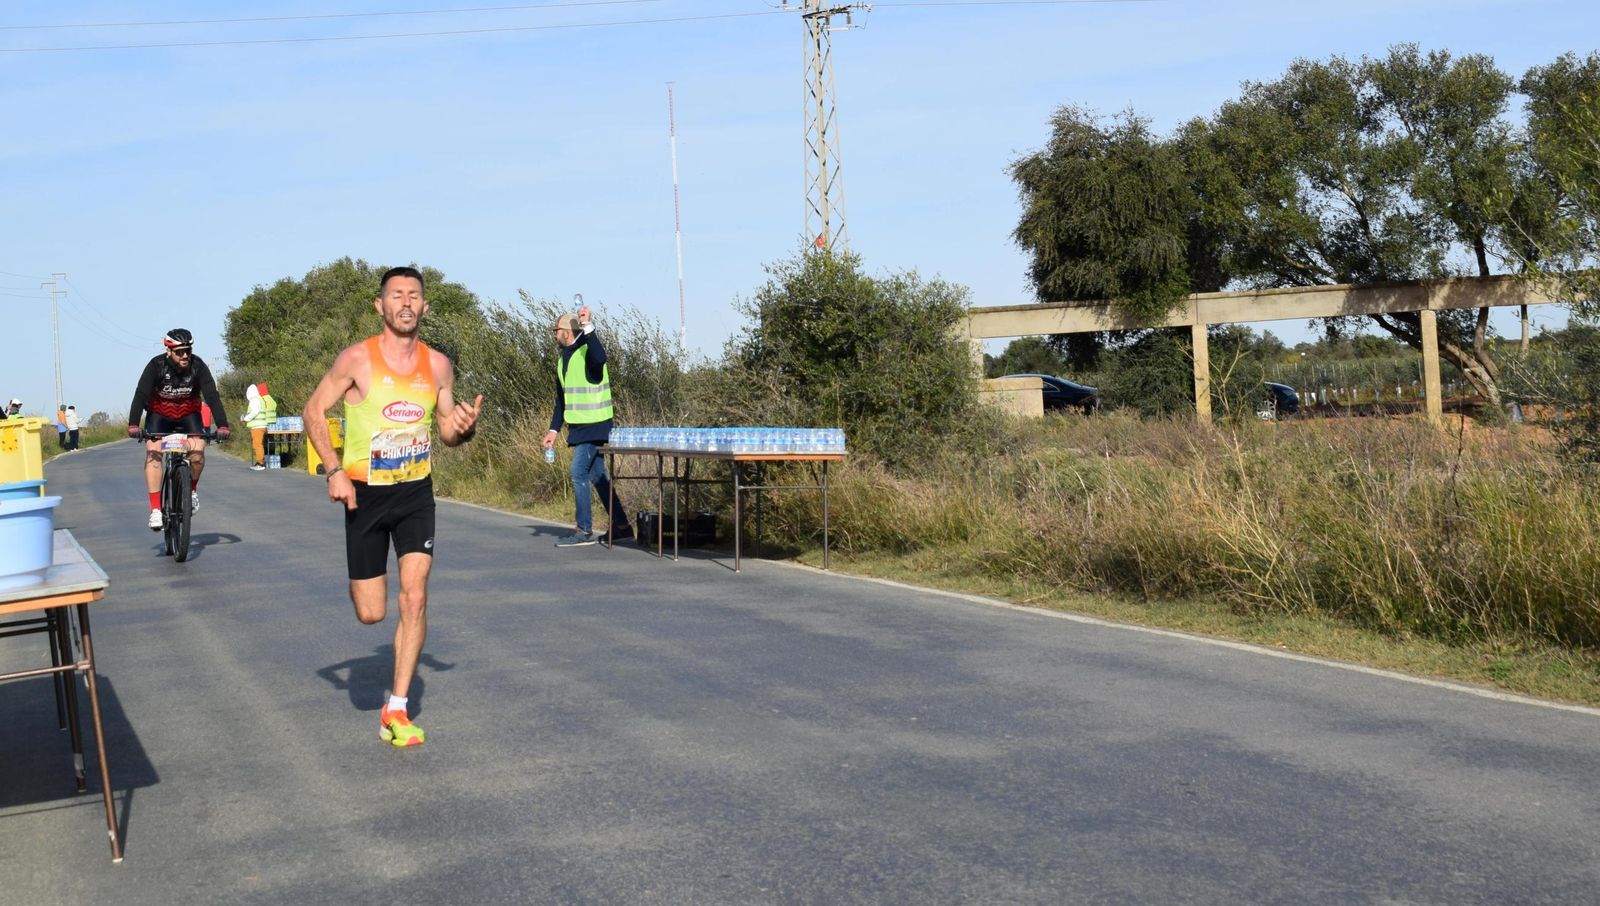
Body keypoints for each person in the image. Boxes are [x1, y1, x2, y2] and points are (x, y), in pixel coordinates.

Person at [304, 266, 482, 748]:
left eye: (414, 296)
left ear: (425, 307)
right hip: (364, 494)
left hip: (415, 493)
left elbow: (446, 431)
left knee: (416, 595)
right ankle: (388, 685)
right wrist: (334, 470)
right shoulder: (357, 359)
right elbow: (313, 410)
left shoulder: (438, 366)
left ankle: (397, 708)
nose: (406, 303)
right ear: (380, 306)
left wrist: (463, 427)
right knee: (371, 614)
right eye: (396, 296)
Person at [543, 301, 630, 547]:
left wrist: (588, 325)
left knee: (578, 472)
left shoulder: (586, 351)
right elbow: (562, 400)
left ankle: (584, 530)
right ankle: (622, 526)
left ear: (567, 332)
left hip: (596, 425)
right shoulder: (563, 360)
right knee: (597, 475)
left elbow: (601, 357)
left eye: (556, 331)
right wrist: (553, 430)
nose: (555, 335)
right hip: (579, 427)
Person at [127, 329, 231, 530]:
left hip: (188, 415)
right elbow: (141, 393)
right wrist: (133, 424)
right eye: (180, 351)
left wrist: (223, 425)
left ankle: (191, 491)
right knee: (154, 453)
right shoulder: (156, 365)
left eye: (188, 351)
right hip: (159, 416)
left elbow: (211, 395)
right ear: (169, 351)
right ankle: (156, 510)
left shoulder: (198, 365)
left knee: (198, 452)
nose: (185, 355)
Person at [240, 382, 278, 470]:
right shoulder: (260, 399)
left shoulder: (254, 400)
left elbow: (254, 412)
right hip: (262, 425)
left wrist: (245, 418)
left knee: (257, 445)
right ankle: (259, 461)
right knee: (258, 444)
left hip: (257, 426)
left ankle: (260, 463)